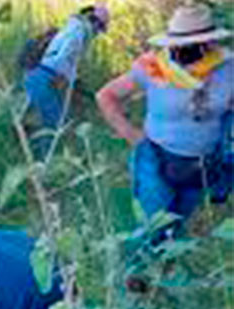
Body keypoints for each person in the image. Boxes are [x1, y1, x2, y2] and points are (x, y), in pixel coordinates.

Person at [96, 4, 233, 237]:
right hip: (157, 159)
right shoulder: (152, 67)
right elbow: (106, 96)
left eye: (195, 44)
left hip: (202, 163)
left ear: (210, 43)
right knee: (154, 228)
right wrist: (133, 136)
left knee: (178, 223)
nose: (185, 51)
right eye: (180, 45)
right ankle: (141, 259)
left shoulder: (227, 68)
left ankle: (169, 254)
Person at [23, 3, 110, 158]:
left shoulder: (73, 27)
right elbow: (63, 58)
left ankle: (34, 156)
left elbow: (68, 63)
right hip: (46, 77)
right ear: (95, 22)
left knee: (41, 121)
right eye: (99, 28)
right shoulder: (79, 32)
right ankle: (44, 162)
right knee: (52, 125)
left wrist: (76, 82)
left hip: (38, 75)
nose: (97, 33)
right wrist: (66, 80)